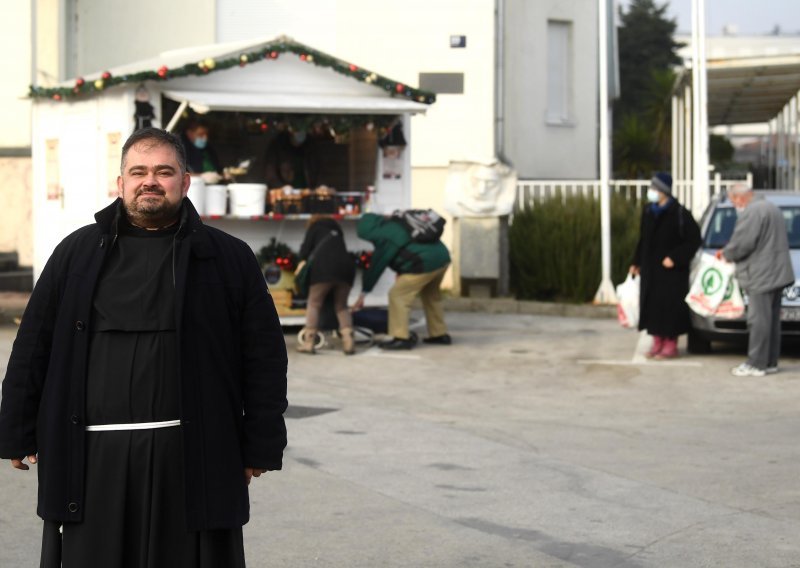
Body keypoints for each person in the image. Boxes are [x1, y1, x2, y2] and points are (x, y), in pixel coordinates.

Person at [0, 127, 288, 567]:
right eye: (138, 171)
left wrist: (261, 443)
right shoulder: (75, 254)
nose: (149, 180)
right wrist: (16, 429)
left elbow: (264, 358)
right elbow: (33, 345)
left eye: (163, 171)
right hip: (92, 459)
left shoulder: (229, 258)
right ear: (121, 183)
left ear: (185, 181)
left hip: (193, 454)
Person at [716, 183, 794, 377]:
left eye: (734, 201)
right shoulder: (771, 208)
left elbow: (742, 243)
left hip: (761, 274)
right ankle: (770, 361)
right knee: (772, 321)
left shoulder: (752, 212)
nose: (735, 205)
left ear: (740, 197)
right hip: (776, 273)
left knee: (758, 321)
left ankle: (756, 363)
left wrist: (726, 253)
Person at [351, 213, 451, 350]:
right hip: (442, 258)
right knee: (431, 296)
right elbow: (408, 248)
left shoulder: (384, 236)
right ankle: (439, 334)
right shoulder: (398, 225)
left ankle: (401, 338)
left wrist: (363, 293)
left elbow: (376, 267)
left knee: (397, 295)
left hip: (425, 263)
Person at [630, 172, 702, 359]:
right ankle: (657, 342)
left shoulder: (679, 213)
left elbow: (693, 240)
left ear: (664, 191)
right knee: (653, 307)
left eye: (655, 188)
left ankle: (670, 344)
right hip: (651, 270)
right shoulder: (648, 212)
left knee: (669, 308)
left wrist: (675, 258)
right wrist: (636, 262)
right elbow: (643, 239)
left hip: (672, 273)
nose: (652, 191)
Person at [296, 215, 357, 355]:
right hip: (346, 269)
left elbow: (305, 251)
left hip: (323, 269)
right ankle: (348, 342)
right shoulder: (337, 231)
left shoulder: (315, 228)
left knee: (314, 303)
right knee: (341, 306)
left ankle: (309, 342)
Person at [181, 119, 223, 183]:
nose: (205, 138)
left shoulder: (209, 149)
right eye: (201, 134)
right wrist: (201, 176)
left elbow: (218, 169)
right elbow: (178, 175)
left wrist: (223, 175)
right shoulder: (180, 151)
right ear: (189, 134)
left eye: (206, 134)